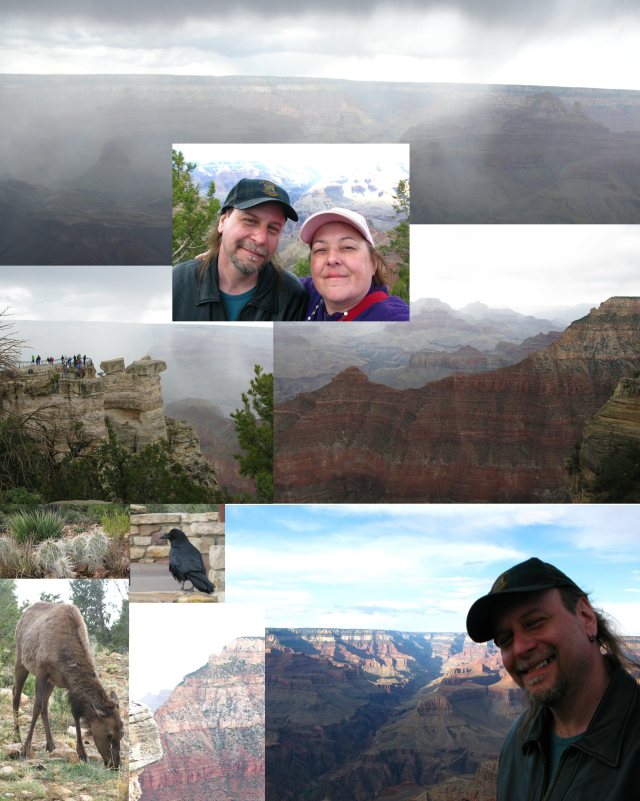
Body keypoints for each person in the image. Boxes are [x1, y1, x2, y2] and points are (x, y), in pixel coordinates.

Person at [466, 557, 640, 801]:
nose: (520, 648)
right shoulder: (519, 741)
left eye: (535, 622)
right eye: (505, 639)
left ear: (586, 618)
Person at [173, 178, 307, 321]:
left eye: (273, 228)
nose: (261, 239)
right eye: (250, 221)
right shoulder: (176, 284)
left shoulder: (292, 297)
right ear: (223, 222)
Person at [299, 207, 409, 321]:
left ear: (373, 263)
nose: (331, 259)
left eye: (347, 247)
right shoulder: (308, 292)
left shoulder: (392, 317)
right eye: (320, 250)